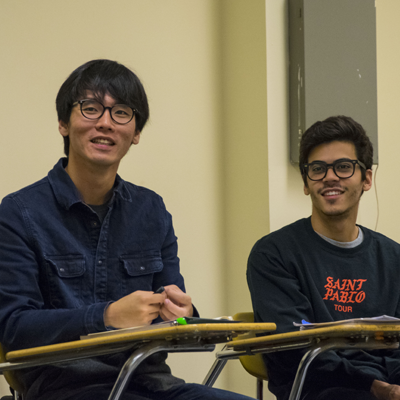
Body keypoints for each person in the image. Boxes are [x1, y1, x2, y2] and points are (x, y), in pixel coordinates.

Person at [0, 59, 255, 400]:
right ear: (63, 122)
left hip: (151, 384)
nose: (105, 123)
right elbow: (13, 327)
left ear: (135, 134)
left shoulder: (151, 210)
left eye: (121, 113)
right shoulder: (19, 212)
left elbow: (174, 322)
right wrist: (105, 316)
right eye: (90, 108)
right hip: (66, 388)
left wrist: (182, 317)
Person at [247, 116, 400, 400]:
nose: (330, 177)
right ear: (307, 183)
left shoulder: (394, 258)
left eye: (343, 167)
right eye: (318, 169)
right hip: (318, 390)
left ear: (366, 179)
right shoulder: (273, 254)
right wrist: (375, 387)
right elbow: (294, 352)